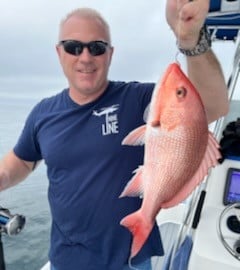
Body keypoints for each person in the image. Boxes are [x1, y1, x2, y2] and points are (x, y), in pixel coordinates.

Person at [0, 1, 229, 270]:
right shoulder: (43, 113)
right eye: (74, 47)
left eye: (96, 48)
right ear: (59, 52)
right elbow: (22, 161)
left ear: (110, 54)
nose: (85, 57)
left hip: (130, 261)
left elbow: (211, 106)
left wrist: (190, 40)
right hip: (66, 261)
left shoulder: (136, 99)